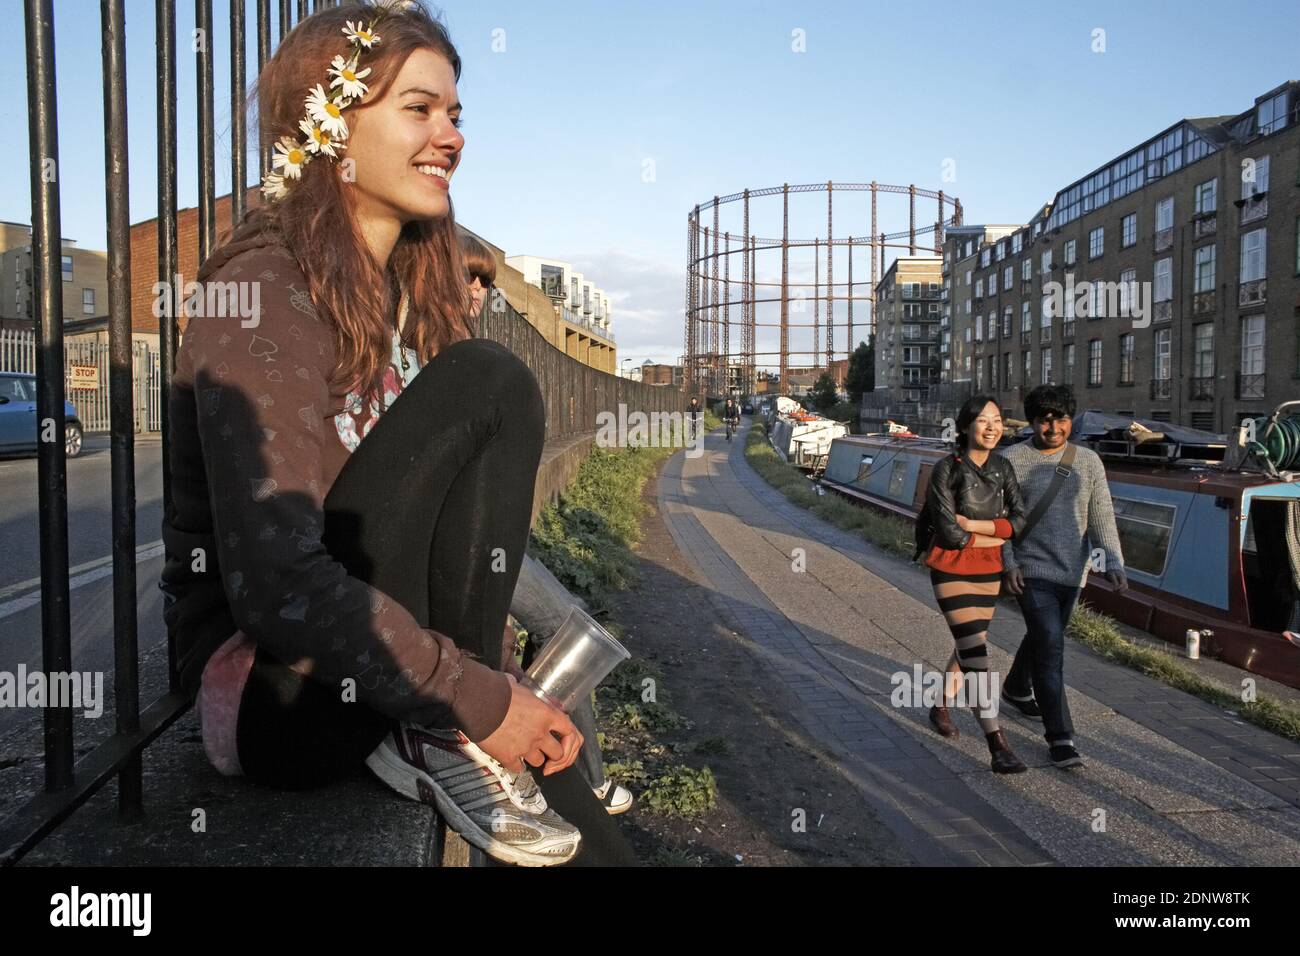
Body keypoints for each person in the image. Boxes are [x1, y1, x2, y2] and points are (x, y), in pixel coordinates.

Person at [160, 1, 635, 867]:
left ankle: (457, 742)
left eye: (456, 113)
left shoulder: (403, 298)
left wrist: (492, 684)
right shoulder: (265, 289)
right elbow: (274, 582)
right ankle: (445, 736)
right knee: (490, 382)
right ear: (333, 124)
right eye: (419, 109)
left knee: (580, 822)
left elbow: (445, 536)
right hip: (279, 692)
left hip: (377, 673)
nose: (450, 134)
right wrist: (474, 696)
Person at [456, 231, 633, 814]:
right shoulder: (431, 354)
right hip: (461, 538)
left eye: (485, 280)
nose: (478, 291)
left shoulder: (460, 344)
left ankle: (568, 766)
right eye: (467, 277)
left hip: (488, 534)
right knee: (564, 626)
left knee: (567, 626)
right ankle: (581, 781)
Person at [1000, 384, 1127, 770]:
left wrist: (1114, 562)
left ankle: (1016, 687)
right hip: (1031, 569)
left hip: (1073, 571)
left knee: (1043, 636)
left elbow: (1101, 513)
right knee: (1052, 648)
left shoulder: (1089, 462)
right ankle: (1061, 738)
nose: (1052, 428)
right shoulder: (1011, 460)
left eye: (1061, 420)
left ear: (1070, 421)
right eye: (1043, 420)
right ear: (1033, 422)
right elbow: (1001, 522)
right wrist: (1009, 563)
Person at [921, 395, 1028, 773]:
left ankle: (940, 706)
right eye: (983, 420)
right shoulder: (945, 470)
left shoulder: (1003, 467)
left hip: (988, 570)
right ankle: (996, 742)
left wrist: (978, 527)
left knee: (970, 644)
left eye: (997, 420)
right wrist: (996, 535)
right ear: (966, 426)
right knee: (977, 656)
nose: (992, 427)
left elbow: (1019, 521)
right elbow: (950, 535)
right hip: (952, 567)